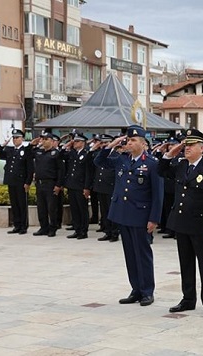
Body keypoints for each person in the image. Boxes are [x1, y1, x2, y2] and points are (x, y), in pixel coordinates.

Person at [94, 126, 164, 306]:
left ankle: (147, 291)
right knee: (130, 254)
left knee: (143, 254)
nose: (129, 143)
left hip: (141, 215)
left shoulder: (152, 163)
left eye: (133, 140)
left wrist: (154, 218)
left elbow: (158, 194)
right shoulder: (121, 160)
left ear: (142, 143)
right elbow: (99, 161)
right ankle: (136, 289)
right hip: (123, 213)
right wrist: (112, 145)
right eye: (128, 140)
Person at [158, 129, 203, 317]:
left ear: (201, 148)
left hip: (201, 225)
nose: (187, 148)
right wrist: (170, 153)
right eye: (186, 145)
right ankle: (188, 299)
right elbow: (161, 170)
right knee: (185, 263)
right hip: (182, 222)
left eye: (191, 145)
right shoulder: (180, 166)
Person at [0, 129, 33, 234]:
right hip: (11, 181)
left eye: (17, 137)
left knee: (22, 204)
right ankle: (16, 225)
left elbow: (30, 169)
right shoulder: (9, 150)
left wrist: (28, 182)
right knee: (14, 204)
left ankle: (23, 226)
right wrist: (3, 145)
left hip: (21, 182)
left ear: (22, 138)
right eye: (14, 138)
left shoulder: (26, 151)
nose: (15, 140)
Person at [29, 132, 65, 237]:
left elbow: (61, 170)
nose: (44, 141)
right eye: (43, 139)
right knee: (41, 207)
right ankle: (43, 227)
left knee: (51, 208)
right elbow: (27, 154)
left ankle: (53, 228)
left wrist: (58, 185)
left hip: (51, 183)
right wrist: (32, 144)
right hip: (40, 184)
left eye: (46, 139)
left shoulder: (56, 153)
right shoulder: (38, 152)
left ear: (52, 141)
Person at [86, 134, 119, 242]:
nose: (104, 145)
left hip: (111, 187)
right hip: (101, 187)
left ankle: (114, 233)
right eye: (103, 143)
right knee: (104, 212)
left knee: (112, 212)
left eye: (107, 142)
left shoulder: (116, 155)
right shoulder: (100, 155)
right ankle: (107, 231)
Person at [63, 132, 90, 240]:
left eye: (77, 141)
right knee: (74, 209)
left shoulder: (87, 154)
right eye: (74, 141)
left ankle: (83, 231)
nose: (75, 143)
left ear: (83, 143)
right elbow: (61, 155)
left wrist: (87, 187)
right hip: (72, 185)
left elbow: (88, 172)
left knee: (82, 209)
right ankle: (77, 229)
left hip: (81, 186)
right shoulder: (72, 153)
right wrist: (67, 145)